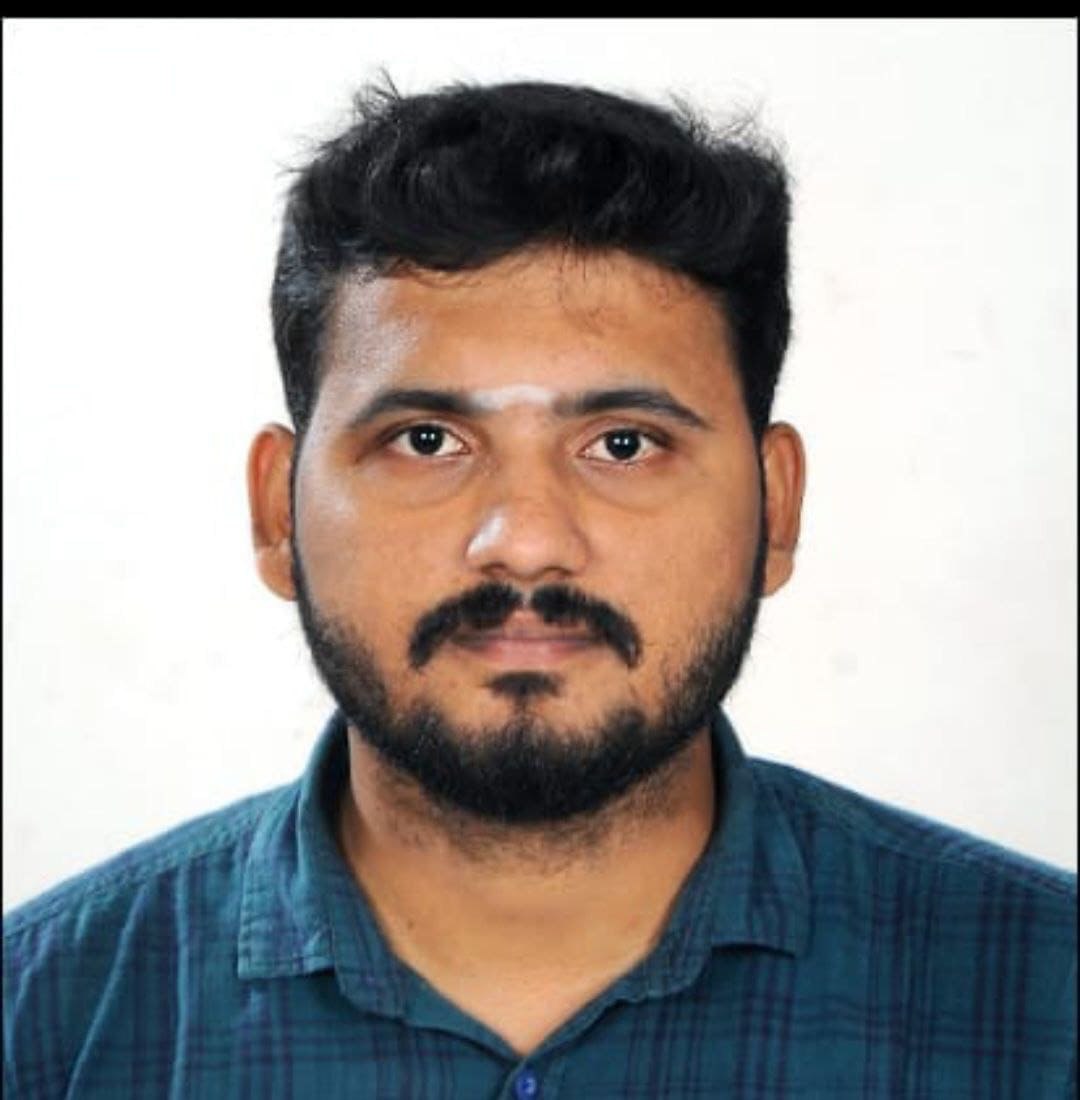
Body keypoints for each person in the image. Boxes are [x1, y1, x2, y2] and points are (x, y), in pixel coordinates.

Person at [4, 78, 1075, 1099]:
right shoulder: (37, 1029)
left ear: (777, 505)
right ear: (276, 511)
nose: (524, 544)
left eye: (624, 443)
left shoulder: (1048, 1008)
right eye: (427, 440)